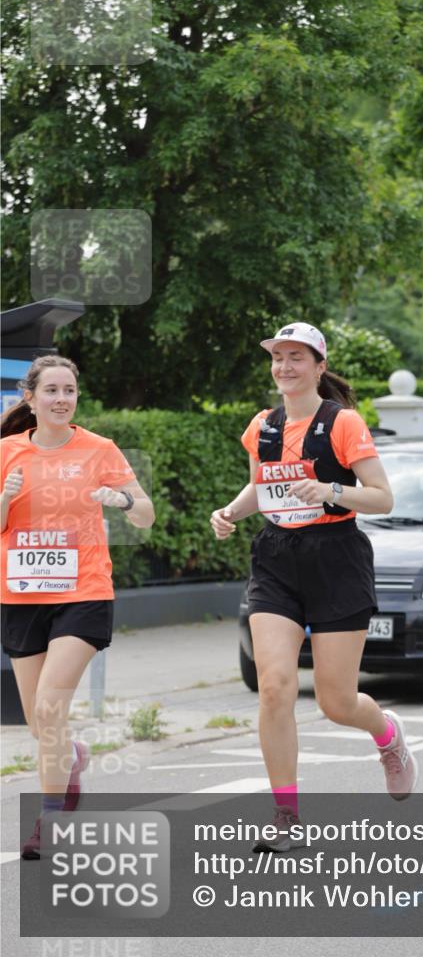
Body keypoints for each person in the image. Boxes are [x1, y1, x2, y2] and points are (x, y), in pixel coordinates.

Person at [210, 322, 418, 852]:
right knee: (275, 687)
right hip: (277, 559)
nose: (284, 366)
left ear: (319, 367)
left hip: (336, 558)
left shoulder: (342, 423)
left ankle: (387, 735)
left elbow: (382, 497)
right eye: (277, 357)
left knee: (336, 702)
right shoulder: (262, 426)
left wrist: (330, 490)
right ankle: (286, 816)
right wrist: (230, 511)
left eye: (296, 357)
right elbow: (261, 486)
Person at [0, 355, 155, 859]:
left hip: (83, 592)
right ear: (30, 398)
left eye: (69, 390)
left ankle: (48, 821)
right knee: (40, 722)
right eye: (51, 390)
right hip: (22, 596)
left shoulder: (99, 449)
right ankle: (70, 755)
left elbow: (146, 515)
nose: (62, 399)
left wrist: (122, 500)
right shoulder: (6, 452)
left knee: (50, 708)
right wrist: (5, 498)